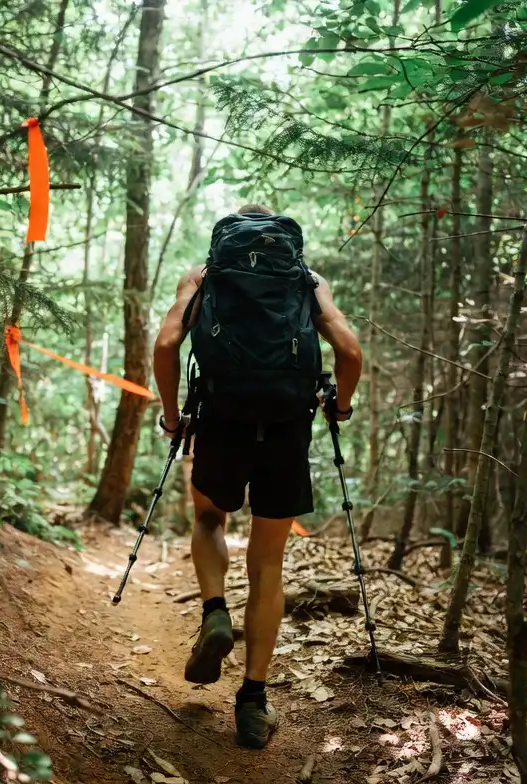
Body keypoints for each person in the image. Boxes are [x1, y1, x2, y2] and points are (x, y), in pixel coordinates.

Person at [151, 204, 364, 749]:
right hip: (287, 430)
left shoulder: (204, 277)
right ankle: (252, 702)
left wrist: (174, 417)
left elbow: (166, 344)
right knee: (269, 560)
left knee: (207, 518)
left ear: (226, 236)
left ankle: (215, 612)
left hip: (220, 422)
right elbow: (350, 350)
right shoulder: (308, 281)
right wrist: (339, 407)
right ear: (284, 240)